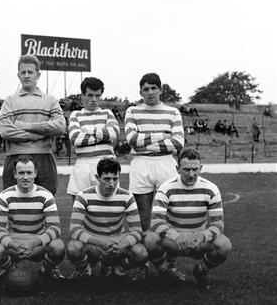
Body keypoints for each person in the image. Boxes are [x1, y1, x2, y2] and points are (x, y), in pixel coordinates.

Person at [124, 73, 184, 280]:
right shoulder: (132, 110)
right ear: (140, 91)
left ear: (160, 89)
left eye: (153, 88)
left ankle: (171, 265)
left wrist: (145, 141)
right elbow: (132, 140)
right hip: (141, 165)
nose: (150, 92)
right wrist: (162, 135)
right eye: (146, 89)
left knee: (170, 215)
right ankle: (144, 265)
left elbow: (178, 143)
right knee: (143, 217)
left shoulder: (173, 112)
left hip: (166, 163)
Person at [144, 148, 232, 289]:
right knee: (150, 239)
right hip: (173, 241)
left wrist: (203, 235)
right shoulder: (166, 188)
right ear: (178, 169)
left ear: (201, 168)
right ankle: (166, 271)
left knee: (224, 245)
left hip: (198, 241)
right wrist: (176, 236)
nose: (191, 174)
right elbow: (155, 221)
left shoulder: (211, 188)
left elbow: (218, 222)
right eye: (186, 169)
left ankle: (201, 271)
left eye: (195, 169)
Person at [67, 158, 147, 280]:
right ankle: (87, 271)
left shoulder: (127, 196)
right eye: (107, 179)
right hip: (94, 241)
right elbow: (74, 230)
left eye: (115, 179)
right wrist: (100, 242)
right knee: (73, 248)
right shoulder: (83, 196)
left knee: (141, 253)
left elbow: (137, 231)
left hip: (117, 241)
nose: (111, 184)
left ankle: (118, 271)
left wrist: (121, 245)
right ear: (97, 177)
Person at [0, 155, 65, 281]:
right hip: (14, 242)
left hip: (37, 242)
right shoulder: (4, 196)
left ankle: (45, 270)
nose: (25, 177)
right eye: (21, 173)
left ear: (35, 173)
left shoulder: (46, 195)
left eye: (29, 172)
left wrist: (33, 243)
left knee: (58, 247)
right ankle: (11, 270)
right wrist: (13, 245)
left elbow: (55, 228)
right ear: (15, 174)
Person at [0, 55, 65, 195]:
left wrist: (27, 126)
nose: (26, 76)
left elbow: (60, 126)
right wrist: (41, 134)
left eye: (30, 72)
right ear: (18, 75)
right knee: (14, 204)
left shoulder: (50, 100)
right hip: (15, 157)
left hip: (44, 158)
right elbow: (5, 131)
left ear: (38, 74)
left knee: (45, 203)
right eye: (23, 72)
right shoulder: (9, 101)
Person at [67, 77, 119, 199]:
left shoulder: (107, 113)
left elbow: (114, 133)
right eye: (90, 95)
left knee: (108, 206)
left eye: (97, 95)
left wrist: (88, 131)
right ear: (82, 96)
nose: (94, 100)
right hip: (83, 164)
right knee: (80, 205)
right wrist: (103, 136)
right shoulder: (76, 114)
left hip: (107, 163)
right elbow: (75, 139)